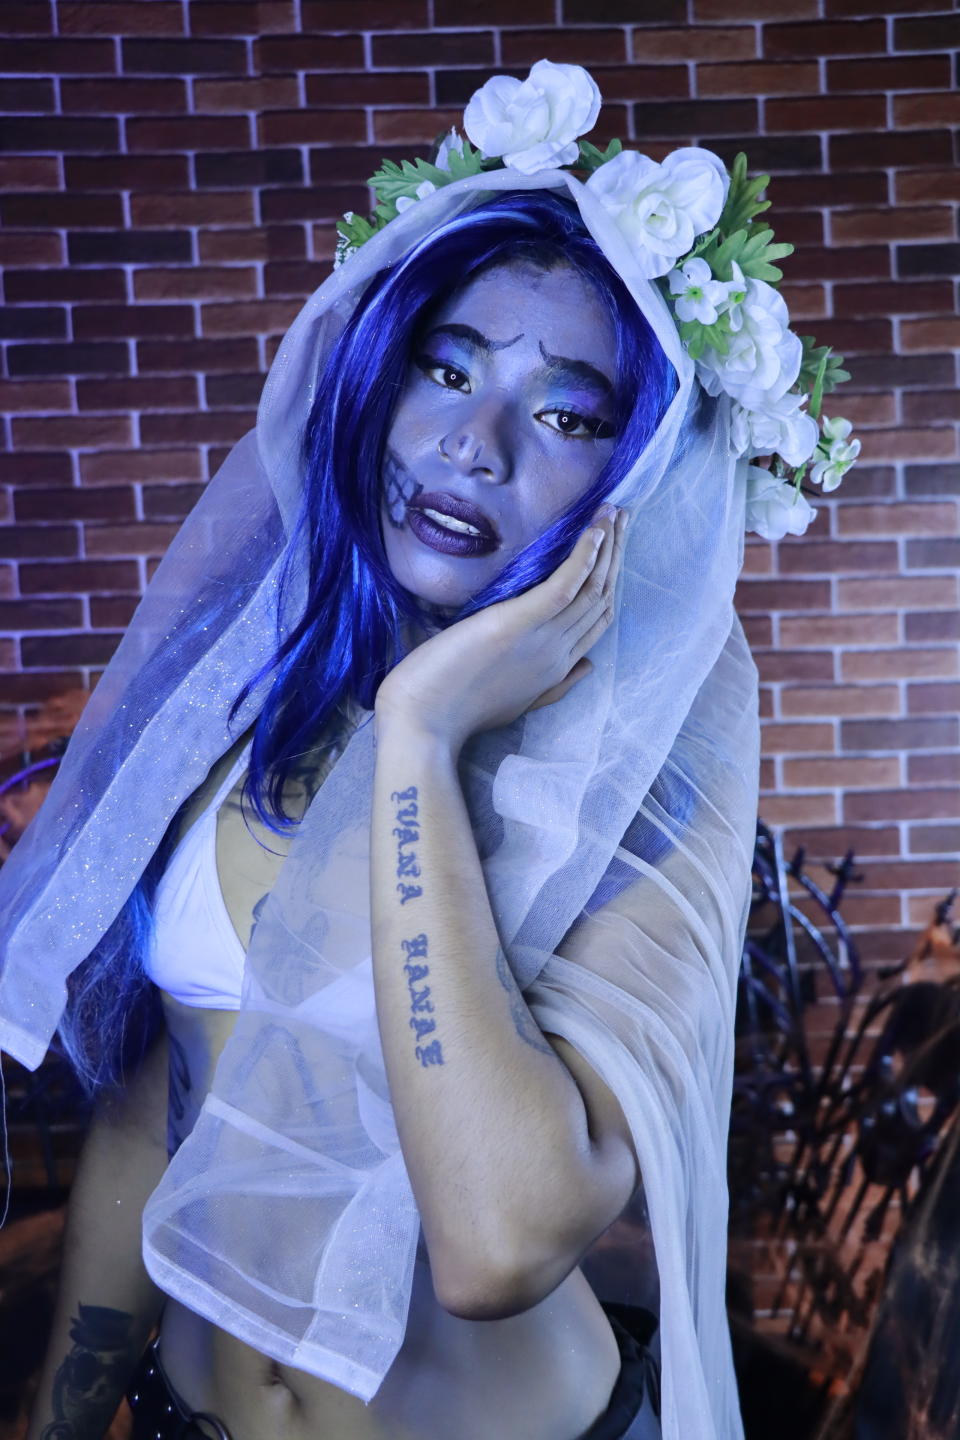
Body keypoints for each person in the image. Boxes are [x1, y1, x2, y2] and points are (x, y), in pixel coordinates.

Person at [1, 61, 854, 1440]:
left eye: (566, 414)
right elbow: (163, 1107)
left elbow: (497, 1243)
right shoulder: (257, 696)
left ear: (640, 473)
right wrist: (58, 1417)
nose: (473, 442)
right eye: (444, 369)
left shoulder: (650, 792)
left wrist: (421, 733)